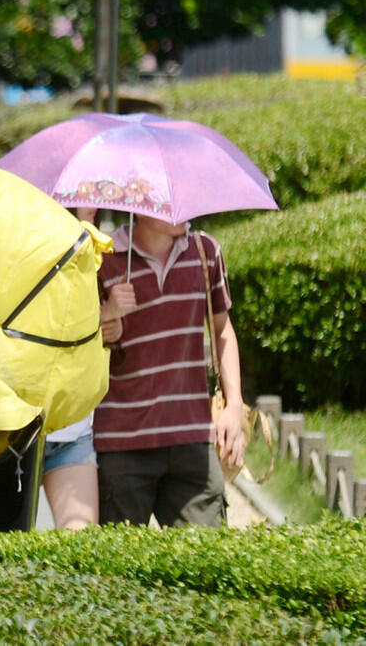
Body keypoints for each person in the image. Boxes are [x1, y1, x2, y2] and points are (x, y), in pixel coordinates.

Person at [93, 215, 246, 527]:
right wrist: (105, 320)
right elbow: (75, 339)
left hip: (193, 440)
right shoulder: (102, 259)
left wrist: (234, 405)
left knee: (208, 563)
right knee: (118, 570)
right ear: (138, 204)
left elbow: (222, 329)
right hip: (122, 444)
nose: (181, 209)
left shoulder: (205, 252)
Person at [41, 207, 135, 530]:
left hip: (72, 434)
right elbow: (43, 331)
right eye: (84, 200)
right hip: (16, 433)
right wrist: (104, 313)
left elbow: (94, 346)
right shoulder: (34, 249)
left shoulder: (95, 253)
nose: (92, 206)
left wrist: (113, 330)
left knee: (80, 544)